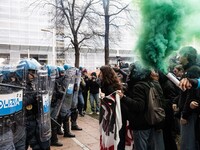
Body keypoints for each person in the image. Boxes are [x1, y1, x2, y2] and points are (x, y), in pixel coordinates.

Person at [118, 63, 165, 150]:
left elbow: (139, 106)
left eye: (131, 71)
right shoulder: (149, 83)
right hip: (150, 121)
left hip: (141, 124)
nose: (129, 74)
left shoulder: (138, 86)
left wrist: (123, 97)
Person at [19, 58, 51, 150]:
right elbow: (21, 102)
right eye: (31, 72)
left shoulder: (31, 84)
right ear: (23, 72)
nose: (34, 75)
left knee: (37, 145)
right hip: (23, 122)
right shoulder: (16, 86)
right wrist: (33, 97)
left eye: (35, 72)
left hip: (33, 120)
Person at [99, 65, 128, 150]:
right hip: (117, 113)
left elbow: (112, 102)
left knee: (118, 135)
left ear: (105, 73)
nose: (100, 74)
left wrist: (104, 98)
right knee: (119, 135)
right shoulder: (110, 83)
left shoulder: (109, 86)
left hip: (117, 114)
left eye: (101, 72)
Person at [177, 46, 200, 150]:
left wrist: (185, 115)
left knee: (188, 143)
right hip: (188, 112)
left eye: (180, 55)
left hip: (190, 114)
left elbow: (191, 95)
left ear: (186, 55)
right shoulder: (189, 70)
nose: (178, 57)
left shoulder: (193, 70)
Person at [46, 65, 63, 147]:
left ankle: (54, 140)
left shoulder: (54, 82)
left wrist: (62, 93)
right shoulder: (43, 82)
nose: (55, 73)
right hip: (47, 106)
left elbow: (57, 91)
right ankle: (48, 140)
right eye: (53, 71)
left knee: (53, 122)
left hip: (54, 104)